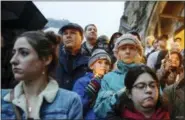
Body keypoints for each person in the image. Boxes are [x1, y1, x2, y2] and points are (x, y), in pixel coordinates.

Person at [1, 31, 83, 119]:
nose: (13, 60)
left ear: (46, 59)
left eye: (24, 53)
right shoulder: (2, 97)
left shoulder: (70, 101)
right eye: (14, 53)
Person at [93, 33, 143, 118]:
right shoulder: (108, 78)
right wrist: (117, 96)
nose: (127, 51)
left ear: (137, 51)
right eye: (123, 49)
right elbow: (99, 111)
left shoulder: (147, 74)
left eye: (131, 48)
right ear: (118, 53)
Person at [73, 48, 112, 120]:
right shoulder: (82, 82)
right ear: (91, 66)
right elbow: (76, 107)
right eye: (99, 62)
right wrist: (89, 95)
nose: (103, 65)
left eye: (106, 63)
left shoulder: (111, 82)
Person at [57, 22, 89, 90]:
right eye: (65, 33)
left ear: (82, 37)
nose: (68, 36)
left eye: (73, 33)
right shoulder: (54, 58)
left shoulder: (89, 62)